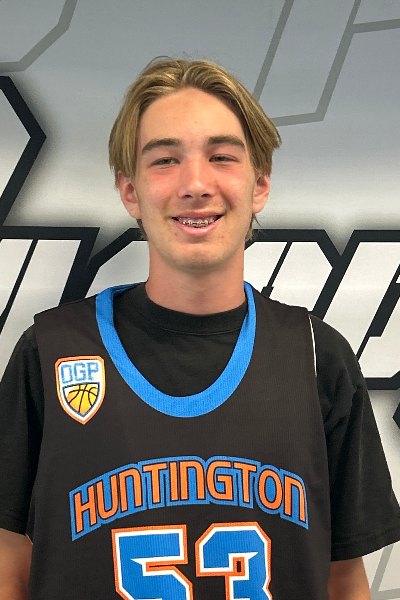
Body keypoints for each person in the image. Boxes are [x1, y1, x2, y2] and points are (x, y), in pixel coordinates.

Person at [0, 58, 399, 600]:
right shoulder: (50, 353)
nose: (195, 184)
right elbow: (10, 572)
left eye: (221, 157)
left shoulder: (316, 356)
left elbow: (343, 581)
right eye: (165, 159)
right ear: (130, 190)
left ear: (259, 185)